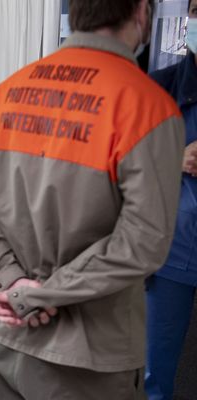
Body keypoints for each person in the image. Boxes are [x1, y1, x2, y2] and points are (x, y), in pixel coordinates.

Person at [0, 0, 185, 398]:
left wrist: (11, 282)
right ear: (142, 11)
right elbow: (142, 243)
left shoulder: (6, 93)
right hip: (89, 355)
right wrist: (39, 295)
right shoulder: (148, 107)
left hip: (2, 335)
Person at [145, 1, 197, 398]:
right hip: (169, 253)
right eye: (195, 10)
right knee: (153, 373)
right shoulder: (159, 87)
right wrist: (173, 157)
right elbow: (124, 160)